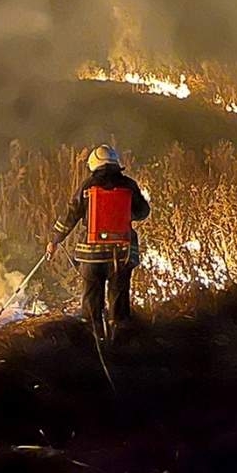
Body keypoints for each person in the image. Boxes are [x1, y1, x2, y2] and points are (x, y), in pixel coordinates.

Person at [46, 144, 150, 341]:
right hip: (122, 253)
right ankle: (119, 340)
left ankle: (94, 341)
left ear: (94, 164)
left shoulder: (88, 186)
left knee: (92, 298)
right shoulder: (129, 185)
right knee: (118, 297)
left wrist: (54, 240)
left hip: (93, 256)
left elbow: (71, 214)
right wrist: (126, 213)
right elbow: (144, 211)